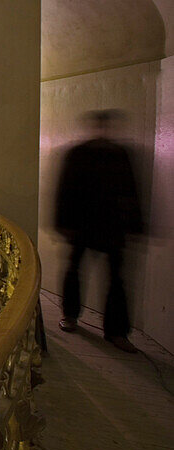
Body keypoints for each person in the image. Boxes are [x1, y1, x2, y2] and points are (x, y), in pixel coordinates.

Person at [54, 110, 143, 352]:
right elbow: (65, 190)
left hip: (110, 227)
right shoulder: (80, 154)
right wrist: (63, 223)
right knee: (76, 272)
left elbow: (132, 192)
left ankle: (115, 331)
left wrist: (135, 226)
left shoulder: (118, 155)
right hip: (85, 225)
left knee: (115, 280)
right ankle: (72, 316)